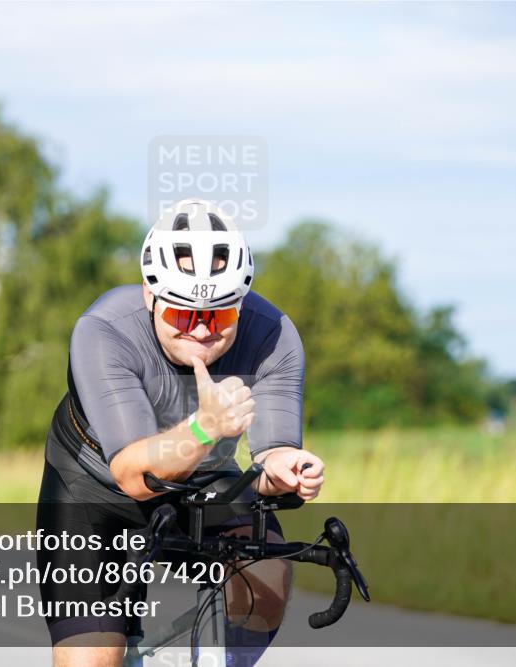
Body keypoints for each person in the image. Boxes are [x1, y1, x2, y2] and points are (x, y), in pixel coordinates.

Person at [35, 200, 325, 667]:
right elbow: (133, 474)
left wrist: (287, 470)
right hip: (92, 489)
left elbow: (271, 458)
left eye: (221, 315)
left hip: (202, 481)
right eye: (184, 314)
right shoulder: (104, 329)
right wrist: (206, 426)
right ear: (151, 296)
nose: (202, 331)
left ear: (242, 304)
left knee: (267, 578)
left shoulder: (273, 336)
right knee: (93, 657)